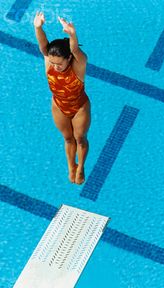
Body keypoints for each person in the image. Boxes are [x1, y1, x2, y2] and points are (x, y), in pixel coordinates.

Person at [34, 12, 91, 185]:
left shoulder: (78, 66)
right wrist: (38, 27)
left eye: (59, 63)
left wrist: (72, 35)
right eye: (53, 63)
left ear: (68, 59)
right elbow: (44, 47)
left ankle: (80, 167)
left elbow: (75, 50)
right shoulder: (50, 61)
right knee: (67, 138)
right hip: (58, 106)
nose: (55, 67)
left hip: (79, 107)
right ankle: (71, 166)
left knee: (80, 138)